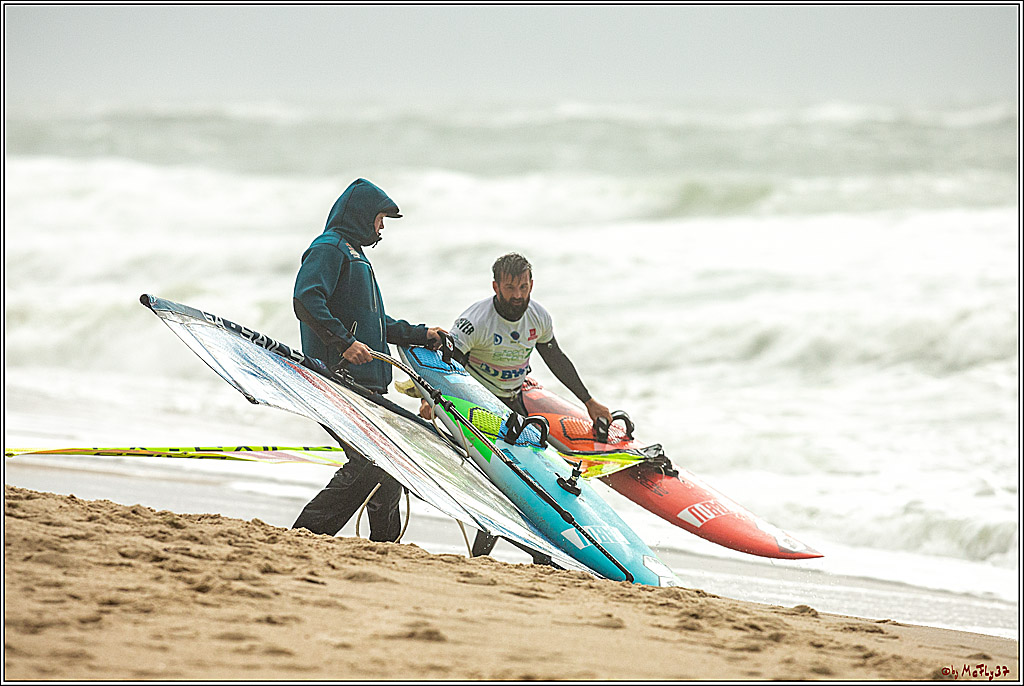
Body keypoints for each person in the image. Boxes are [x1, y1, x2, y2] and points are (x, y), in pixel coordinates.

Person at [425, 251, 613, 556]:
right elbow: (449, 368)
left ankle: (547, 548)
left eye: (523, 287)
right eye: (510, 288)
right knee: (501, 479)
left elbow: (555, 359)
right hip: (478, 405)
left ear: (532, 284)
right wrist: (434, 402)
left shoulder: (538, 317)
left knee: (535, 477)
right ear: (495, 286)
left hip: (514, 401)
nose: (518, 295)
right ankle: (488, 554)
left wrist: (588, 401)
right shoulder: (474, 322)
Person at [291, 178, 446, 542]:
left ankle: (385, 546)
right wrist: (343, 343)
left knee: (391, 464)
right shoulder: (329, 249)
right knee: (369, 462)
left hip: (366, 385)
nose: (381, 229)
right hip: (338, 380)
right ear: (360, 215)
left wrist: (422, 334)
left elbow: (377, 325)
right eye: (379, 220)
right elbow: (305, 299)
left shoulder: (355, 256)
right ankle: (305, 535)